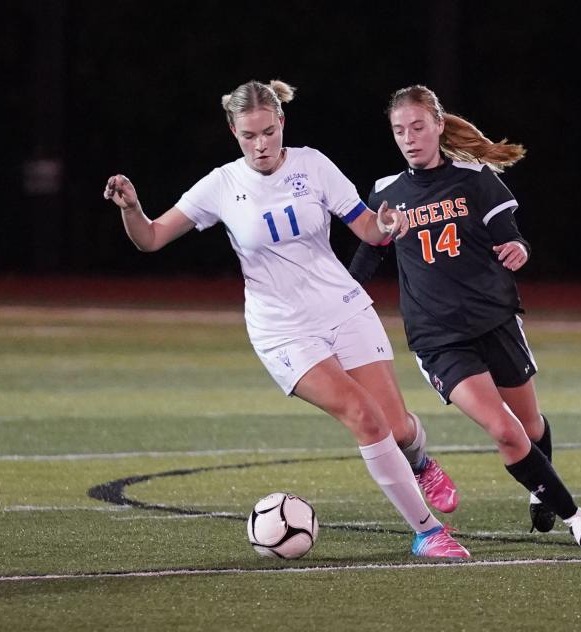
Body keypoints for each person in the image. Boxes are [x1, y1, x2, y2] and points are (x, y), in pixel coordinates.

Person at [103, 79, 466, 558]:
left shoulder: (313, 165)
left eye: (268, 133)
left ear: (282, 125)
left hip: (342, 307)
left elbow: (367, 229)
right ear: (233, 131)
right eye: (249, 135)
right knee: (365, 418)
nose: (260, 145)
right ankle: (426, 531)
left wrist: (386, 224)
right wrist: (133, 209)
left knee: (397, 428)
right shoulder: (221, 185)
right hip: (283, 330)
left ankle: (418, 458)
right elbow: (149, 238)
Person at [349, 85, 581, 549]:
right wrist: (341, 298)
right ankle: (580, 519)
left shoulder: (475, 176)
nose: (409, 137)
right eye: (399, 130)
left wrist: (519, 249)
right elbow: (369, 255)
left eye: (418, 126)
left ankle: (539, 492)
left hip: (495, 319)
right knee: (505, 430)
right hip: (439, 338)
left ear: (439, 125)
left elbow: (512, 235)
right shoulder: (387, 192)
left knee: (529, 428)